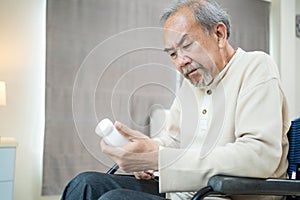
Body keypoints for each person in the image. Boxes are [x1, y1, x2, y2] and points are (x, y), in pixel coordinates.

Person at [61, 0, 290, 199]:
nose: (180, 61)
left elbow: (258, 156)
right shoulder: (192, 84)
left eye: (187, 45)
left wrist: (158, 159)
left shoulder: (255, 66)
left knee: (115, 198)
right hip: (185, 191)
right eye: (172, 54)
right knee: (85, 184)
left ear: (219, 35)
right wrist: (147, 150)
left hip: (223, 196)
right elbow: (172, 141)